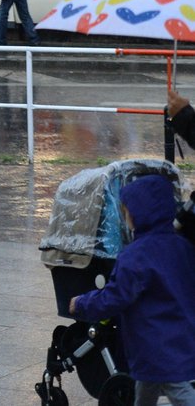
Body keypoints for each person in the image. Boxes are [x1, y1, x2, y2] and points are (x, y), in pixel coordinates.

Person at [69, 174, 195, 406]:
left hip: (153, 343)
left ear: (137, 215)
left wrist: (82, 304)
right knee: (147, 387)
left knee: (178, 391)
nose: (125, 217)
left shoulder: (135, 256)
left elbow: (114, 297)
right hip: (182, 335)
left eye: (126, 212)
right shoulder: (183, 247)